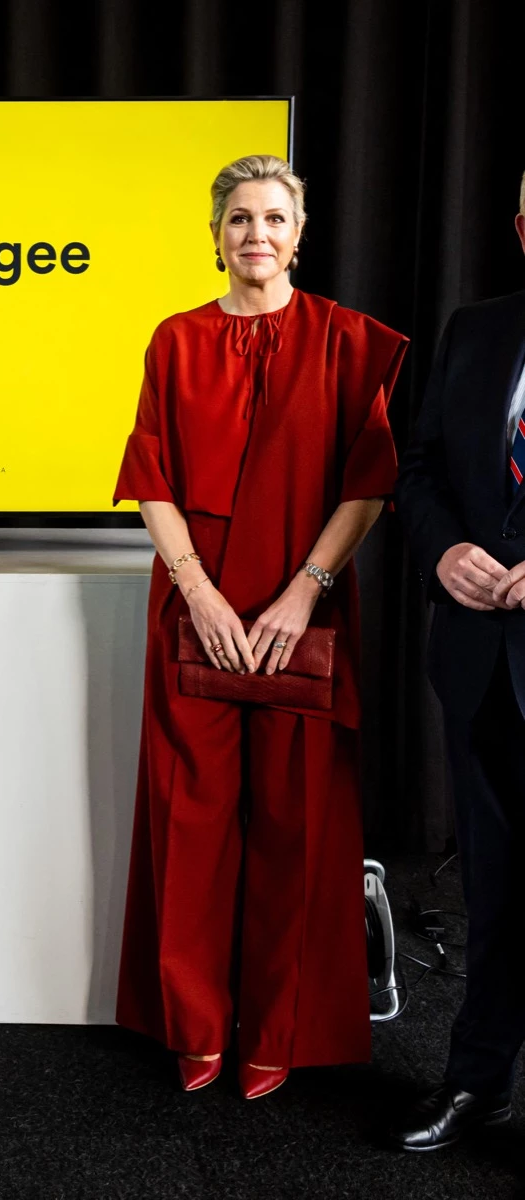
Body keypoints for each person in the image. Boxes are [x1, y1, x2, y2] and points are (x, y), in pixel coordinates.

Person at [113, 154, 408, 1100]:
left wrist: (304, 591)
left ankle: (276, 1031)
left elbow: (369, 483)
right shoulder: (175, 340)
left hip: (300, 614)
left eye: (275, 218)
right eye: (239, 218)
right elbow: (151, 476)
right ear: (215, 235)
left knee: (295, 824)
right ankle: (196, 1024)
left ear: (299, 233)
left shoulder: (346, 340)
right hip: (196, 611)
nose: (257, 234)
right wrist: (198, 591)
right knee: (191, 822)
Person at [392, 171, 525, 1151]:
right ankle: (479, 1085)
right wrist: (441, 551)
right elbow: (420, 467)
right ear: (521, 225)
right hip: (479, 660)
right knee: (494, 888)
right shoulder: (475, 329)